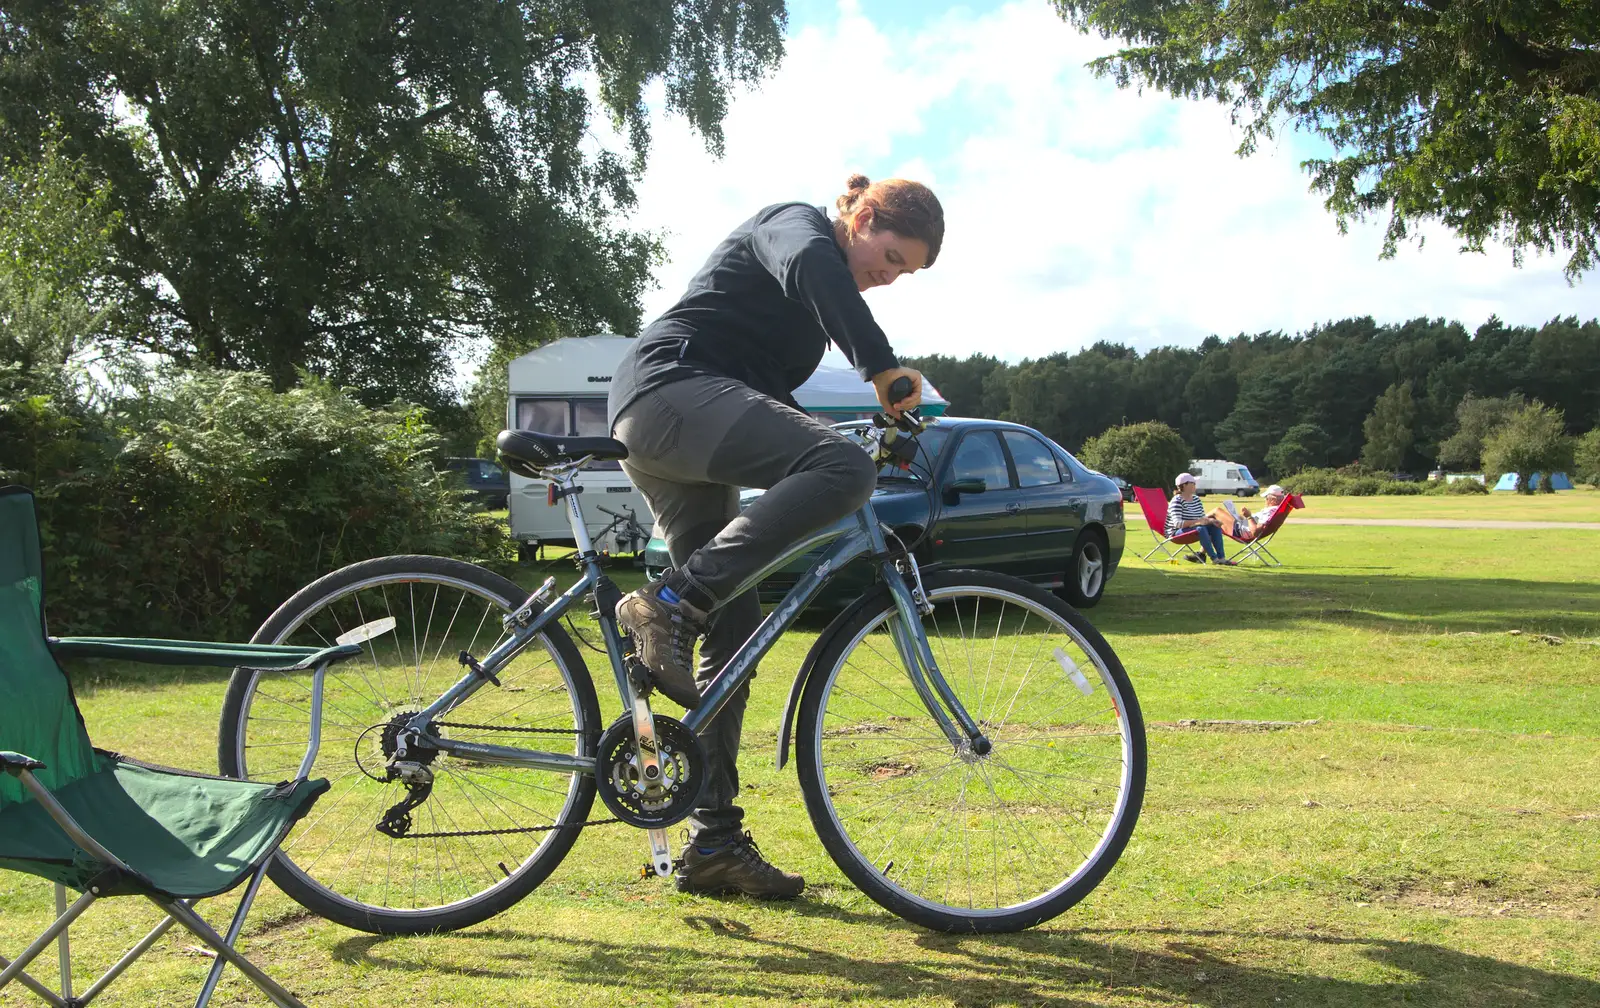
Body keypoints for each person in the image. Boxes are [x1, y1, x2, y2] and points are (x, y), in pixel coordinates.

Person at [606, 174, 943, 899]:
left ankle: (713, 843)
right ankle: (668, 600)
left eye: (902, 274)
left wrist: (855, 427)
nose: (888, 277)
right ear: (858, 215)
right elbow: (814, 270)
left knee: (735, 626)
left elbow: (766, 402)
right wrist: (880, 369)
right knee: (840, 468)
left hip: (687, 414)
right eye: (889, 256)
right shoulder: (794, 227)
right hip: (669, 391)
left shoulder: (806, 310)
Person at [1167, 472, 1232, 564]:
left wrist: (1211, 521)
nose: (1195, 485)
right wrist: (1198, 521)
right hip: (1176, 533)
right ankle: (1214, 559)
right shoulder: (1177, 501)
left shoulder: (1196, 499)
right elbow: (1177, 523)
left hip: (1194, 529)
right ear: (1184, 485)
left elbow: (1202, 518)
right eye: (1192, 483)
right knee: (1200, 528)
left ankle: (1221, 558)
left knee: (1214, 526)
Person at [1215, 484, 1288, 540]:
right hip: (1243, 526)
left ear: (1272, 500)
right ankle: (1205, 554)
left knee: (1216, 511)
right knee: (1213, 524)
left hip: (1241, 532)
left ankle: (1203, 524)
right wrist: (1243, 516)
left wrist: (1249, 516)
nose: (1265, 500)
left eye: (1266, 498)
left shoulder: (1269, 512)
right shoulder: (1276, 511)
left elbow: (1255, 532)